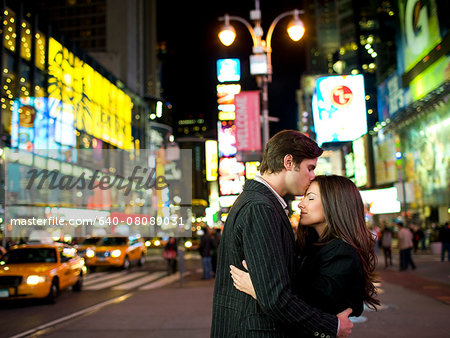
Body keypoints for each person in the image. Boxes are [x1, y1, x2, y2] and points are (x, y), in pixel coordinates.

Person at [211, 130, 353, 338]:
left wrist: (263, 286)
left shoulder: (259, 202)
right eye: (310, 168)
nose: (313, 176)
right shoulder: (260, 208)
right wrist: (333, 326)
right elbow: (276, 298)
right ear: (288, 162)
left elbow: (274, 289)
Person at [230, 175, 379, 320]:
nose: (301, 204)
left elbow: (312, 302)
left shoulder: (342, 252)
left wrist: (259, 289)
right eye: (304, 197)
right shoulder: (310, 245)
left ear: (334, 204)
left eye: (311, 198)